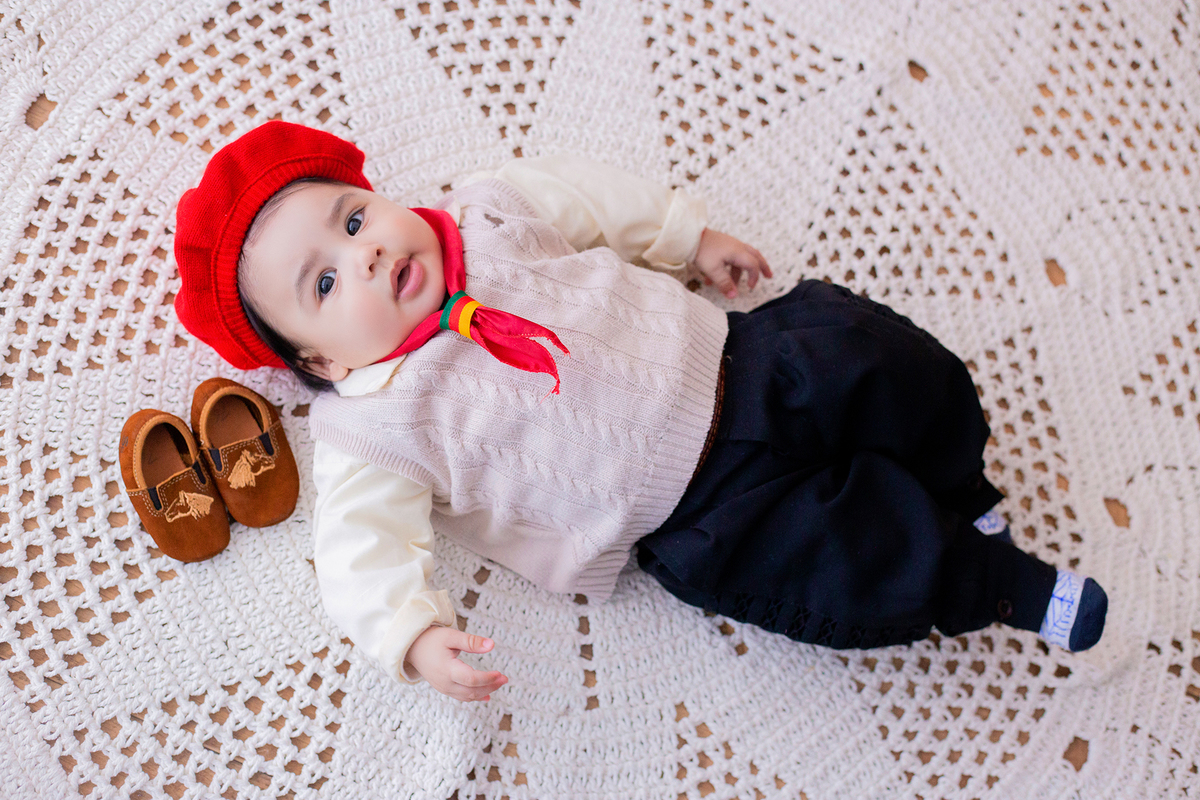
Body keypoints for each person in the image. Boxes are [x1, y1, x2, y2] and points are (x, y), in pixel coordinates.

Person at [173, 121, 1107, 703]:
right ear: (322, 360)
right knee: (844, 561)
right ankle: (995, 581)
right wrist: (410, 637)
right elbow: (357, 550)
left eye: (351, 219)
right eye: (328, 282)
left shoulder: (486, 212)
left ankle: (960, 478)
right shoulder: (372, 427)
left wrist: (687, 237)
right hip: (701, 519)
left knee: (883, 359)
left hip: (746, 357)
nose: (368, 255)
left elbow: (591, 202)